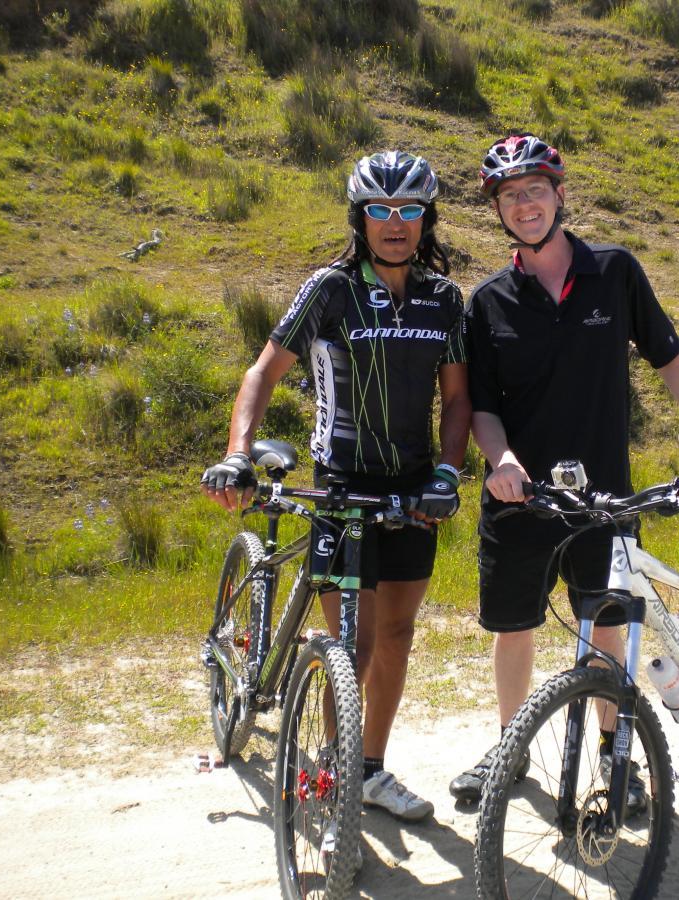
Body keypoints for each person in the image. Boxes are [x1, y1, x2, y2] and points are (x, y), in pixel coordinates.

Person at [450, 133, 679, 807]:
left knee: (607, 625)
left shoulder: (614, 271)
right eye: (509, 196)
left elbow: (668, 354)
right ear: (497, 210)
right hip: (521, 497)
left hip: (605, 496)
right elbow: (482, 408)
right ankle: (511, 745)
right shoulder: (488, 301)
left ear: (560, 195)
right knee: (514, 627)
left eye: (534, 190)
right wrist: (502, 462)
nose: (523, 205)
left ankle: (619, 759)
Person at [202, 150, 470, 823]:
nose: (395, 223)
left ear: (425, 218)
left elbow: (459, 400)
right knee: (352, 648)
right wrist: (238, 453)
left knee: (399, 634)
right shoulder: (329, 290)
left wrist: (446, 470)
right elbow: (262, 374)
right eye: (380, 210)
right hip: (342, 483)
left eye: (409, 210)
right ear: (360, 217)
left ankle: (370, 771)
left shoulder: (445, 299)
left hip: (412, 488)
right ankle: (333, 770)